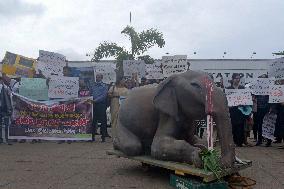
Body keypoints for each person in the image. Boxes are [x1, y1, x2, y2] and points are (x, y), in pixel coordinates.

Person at [227, 73, 246, 147]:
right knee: (233, 126)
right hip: (232, 109)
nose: (237, 80)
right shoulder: (229, 89)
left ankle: (240, 142)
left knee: (241, 126)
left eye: (239, 78)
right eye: (236, 78)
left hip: (241, 109)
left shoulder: (242, 88)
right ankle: (234, 141)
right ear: (232, 79)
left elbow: (245, 98)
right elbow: (227, 99)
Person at [91, 74, 108, 142]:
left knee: (103, 122)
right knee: (93, 121)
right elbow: (91, 93)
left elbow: (104, 96)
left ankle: (103, 137)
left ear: (102, 78)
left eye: (99, 77)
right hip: (93, 105)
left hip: (101, 105)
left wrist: (95, 100)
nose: (97, 78)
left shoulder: (105, 86)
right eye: (96, 77)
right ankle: (92, 137)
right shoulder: (93, 85)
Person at [0, 73, 13, 145]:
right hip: (5, 108)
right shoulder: (6, 88)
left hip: (5, 109)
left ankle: (5, 139)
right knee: (5, 125)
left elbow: (10, 99)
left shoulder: (7, 88)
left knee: (6, 125)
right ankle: (4, 139)